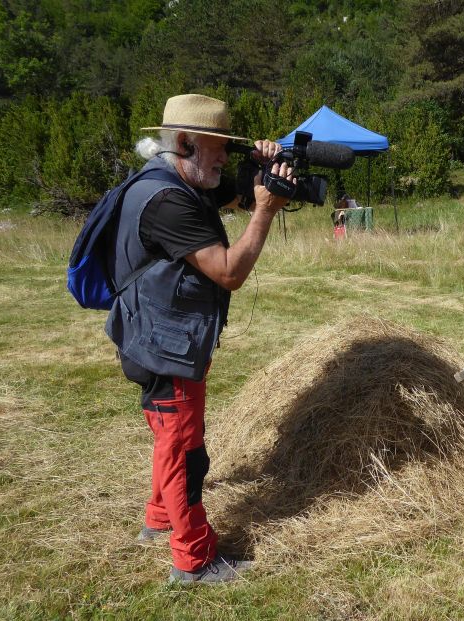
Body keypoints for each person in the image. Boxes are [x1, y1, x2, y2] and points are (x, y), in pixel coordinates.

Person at [105, 94, 294, 584]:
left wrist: (260, 169)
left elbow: (233, 195)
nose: (226, 158)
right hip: (163, 348)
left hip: (160, 338)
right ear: (186, 143)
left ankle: (158, 519)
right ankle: (193, 560)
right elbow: (229, 272)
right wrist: (266, 211)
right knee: (186, 452)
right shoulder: (168, 202)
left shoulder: (177, 180)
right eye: (220, 147)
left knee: (172, 438)